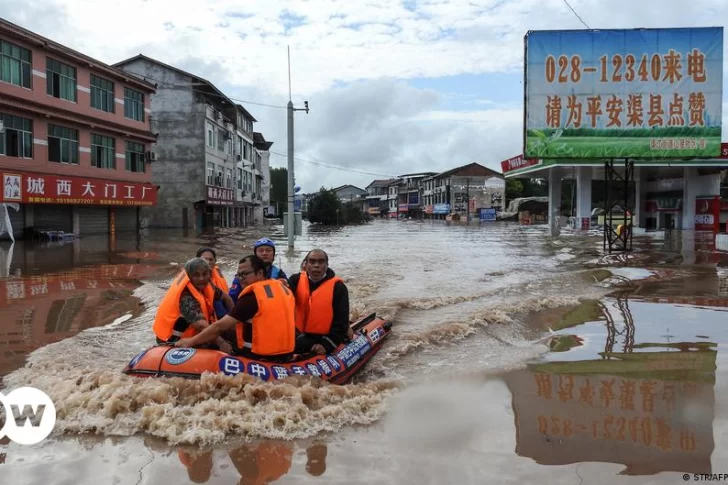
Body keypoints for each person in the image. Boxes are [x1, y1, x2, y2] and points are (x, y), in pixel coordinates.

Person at [175, 255, 296, 360]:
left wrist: (190, 342)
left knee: (220, 339)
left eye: (245, 274)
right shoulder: (283, 288)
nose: (241, 278)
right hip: (287, 352)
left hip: (259, 355)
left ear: (260, 273)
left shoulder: (252, 297)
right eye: (239, 275)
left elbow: (218, 327)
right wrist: (235, 314)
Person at [153, 257, 233, 352]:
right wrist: (221, 343)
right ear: (189, 277)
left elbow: (226, 298)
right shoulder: (185, 296)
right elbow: (201, 325)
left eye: (204, 274)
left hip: (195, 334)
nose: (201, 278)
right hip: (173, 341)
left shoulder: (208, 284)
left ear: (209, 274)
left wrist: (235, 319)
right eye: (196, 275)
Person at [289, 249, 350, 355]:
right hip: (299, 334)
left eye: (321, 262)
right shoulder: (295, 281)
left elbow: (341, 321)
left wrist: (327, 344)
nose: (316, 265)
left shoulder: (338, 288)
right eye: (312, 261)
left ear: (327, 265)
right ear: (306, 264)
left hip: (323, 336)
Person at [228, 238, 288, 303]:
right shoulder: (243, 274)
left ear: (274, 255)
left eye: (268, 250)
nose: (264, 253)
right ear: (255, 254)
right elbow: (233, 298)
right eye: (260, 251)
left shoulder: (279, 274)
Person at [196, 247, 230, 319]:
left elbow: (226, 297)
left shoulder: (217, 272)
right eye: (204, 259)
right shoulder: (194, 279)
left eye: (211, 259)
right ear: (197, 261)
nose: (208, 262)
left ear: (215, 261)